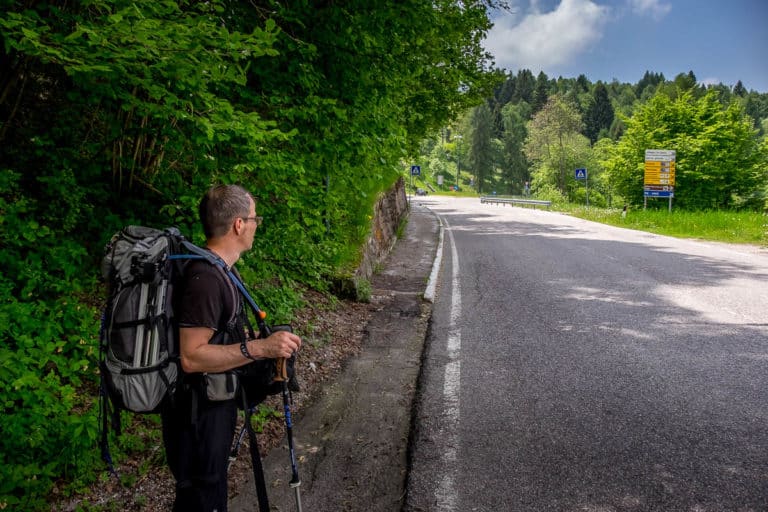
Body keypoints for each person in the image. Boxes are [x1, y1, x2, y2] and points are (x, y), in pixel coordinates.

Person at [161, 184, 302, 512]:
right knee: (202, 499)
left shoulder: (221, 270)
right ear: (239, 224)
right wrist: (261, 349)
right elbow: (192, 357)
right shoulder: (206, 279)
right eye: (254, 218)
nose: (256, 225)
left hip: (208, 410)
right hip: (196, 417)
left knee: (206, 495)